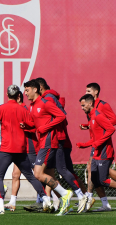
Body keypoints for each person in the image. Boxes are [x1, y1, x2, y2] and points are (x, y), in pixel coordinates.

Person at [0, 85, 53, 215]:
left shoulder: (1, 108)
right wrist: (24, 125)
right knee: (30, 175)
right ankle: (46, 199)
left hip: (6, 149)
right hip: (21, 149)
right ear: (18, 95)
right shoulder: (23, 109)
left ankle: (0, 206)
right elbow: (32, 124)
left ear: (7, 95)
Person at [79, 83, 116, 210]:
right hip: (95, 141)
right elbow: (94, 123)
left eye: (88, 90)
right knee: (93, 171)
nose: (86, 92)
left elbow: (114, 121)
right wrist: (88, 126)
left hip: (101, 143)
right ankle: (104, 203)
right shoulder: (89, 107)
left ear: (96, 92)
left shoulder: (102, 105)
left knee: (96, 171)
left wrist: (101, 124)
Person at [21, 79, 74, 216]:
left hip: (49, 142)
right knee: (43, 174)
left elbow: (61, 116)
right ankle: (63, 197)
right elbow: (35, 124)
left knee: (38, 173)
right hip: (42, 143)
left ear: (35, 89)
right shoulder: (32, 106)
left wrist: (46, 127)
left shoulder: (45, 103)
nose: (25, 93)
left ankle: (65, 194)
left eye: (27, 90)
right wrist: (26, 126)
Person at [35, 77, 87, 213]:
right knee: (50, 172)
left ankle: (81, 195)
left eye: (30, 90)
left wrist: (45, 128)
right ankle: (56, 201)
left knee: (62, 170)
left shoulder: (49, 99)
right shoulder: (48, 98)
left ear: (39, 88)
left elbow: (62, 117)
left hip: (56, 139)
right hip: (57, 139)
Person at [78, 94, 116, 212]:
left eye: (83, 105)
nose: (82, 108)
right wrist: (84, 144)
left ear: (90, 103)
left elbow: (111, 129)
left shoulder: (98, 115)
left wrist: (98, 143)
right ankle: (102, 203)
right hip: (96, 150)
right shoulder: (92, 117)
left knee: (102, 180)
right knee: (93, 177)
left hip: (103, 151)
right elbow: (95, 138)